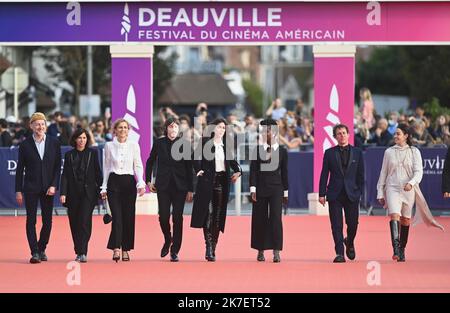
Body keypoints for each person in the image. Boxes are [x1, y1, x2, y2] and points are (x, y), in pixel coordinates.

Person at [377, 124, 444, 262]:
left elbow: (419, 172)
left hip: (408, 190)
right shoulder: (389, 152)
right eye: (395, 134)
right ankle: (395, 248)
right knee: (394, 215)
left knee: (406, 220)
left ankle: (402, 249)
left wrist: (411, 183)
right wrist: (380, 192)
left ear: (406, 136)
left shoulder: (415, 152)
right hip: (392, 188)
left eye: (398, 134)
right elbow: (383, 172)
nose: (395, 136)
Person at [191, 118, 242, 262]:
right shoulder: (205, 143)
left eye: (224, 128)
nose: (222, 130)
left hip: (221, 182)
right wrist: (198, 170)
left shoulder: (226, 146)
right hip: (207, 181)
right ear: (213, 129)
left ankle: (213, 246)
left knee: (218, 216)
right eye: (219, 127)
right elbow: (194, 158)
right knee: (208, 214)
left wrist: (238, 171)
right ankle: (208, 246)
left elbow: (233, 163)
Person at [15, 112, 62, 264]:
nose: (40, 127)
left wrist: (54, 185)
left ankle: (42, 248)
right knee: (31, 221)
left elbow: (56, 167)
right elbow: (20, 168)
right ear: (31, 126)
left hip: (49, 188)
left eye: (42, 124)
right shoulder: (25, 144)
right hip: (30, 187)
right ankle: (34, 252)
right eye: (37, 124)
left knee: (47, 221)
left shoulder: (54, 143)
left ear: (45, 126)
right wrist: (18, 190)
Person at [146, 118, 193, 262]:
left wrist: (190, 189)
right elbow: (150, 161)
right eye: (171, 127)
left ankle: (175, 251)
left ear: (179, 130)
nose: (173, 130)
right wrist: (148, 180)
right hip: (163, 186)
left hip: (180, 187)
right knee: (163, 216)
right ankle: (168, 239)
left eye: (176, 127)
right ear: (166, 129)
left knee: (178, 218)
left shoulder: (185, 144)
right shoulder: (159, 143)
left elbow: (189, 167)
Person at [100, 119, 146, 262]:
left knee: (128, 217)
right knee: (117, 218)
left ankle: (126, 249)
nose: (123, 130)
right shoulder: (108, 146)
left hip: (128, 183)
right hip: (114, 183)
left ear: (129, 130)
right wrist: (104, 186)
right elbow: (106, 167)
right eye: (120, 127)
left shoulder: (134, 145)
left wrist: (140, 182)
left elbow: (138, 165)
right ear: (115, 130)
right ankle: (116, 248)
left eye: (125, 127)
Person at [319, 124, 364, 263]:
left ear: (349, 134)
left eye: (344, 133)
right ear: (335, 137)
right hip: (335, 194)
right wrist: (322, 193)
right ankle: (339, 253)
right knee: (336, 225)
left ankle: (349, 241)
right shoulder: (329, 153)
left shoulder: (357, 152)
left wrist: (359, 192)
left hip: (352, 194)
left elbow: (361, 175)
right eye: (339, 133)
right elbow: (324, 174)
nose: (342, 135)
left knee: (353, 224)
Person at [60, 128, 102, 263]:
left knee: (84, 221)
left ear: (87, 139)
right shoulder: (69, 155)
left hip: (88, 194)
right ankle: (78, 250)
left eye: (84, 138)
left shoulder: (93, 153)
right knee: (74, 223)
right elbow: (65, 175)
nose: (82, 140)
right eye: (79, 138)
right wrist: (63, 193)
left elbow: (98, 174)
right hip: (72, 194)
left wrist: (102, 190)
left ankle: (83, 252)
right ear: (75, 139)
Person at [249, 119, 289, 263]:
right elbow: (253, 171)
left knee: (276, 219)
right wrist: (252, 189)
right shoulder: (257, 150)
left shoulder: (283, 151)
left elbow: (285, 173)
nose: (268, 133)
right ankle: (260, 250)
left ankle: (276, 251)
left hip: (277, 189)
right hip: (260, 189)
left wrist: (286, 192)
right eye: (265, 130)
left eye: (270, 130)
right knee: (259, 219)